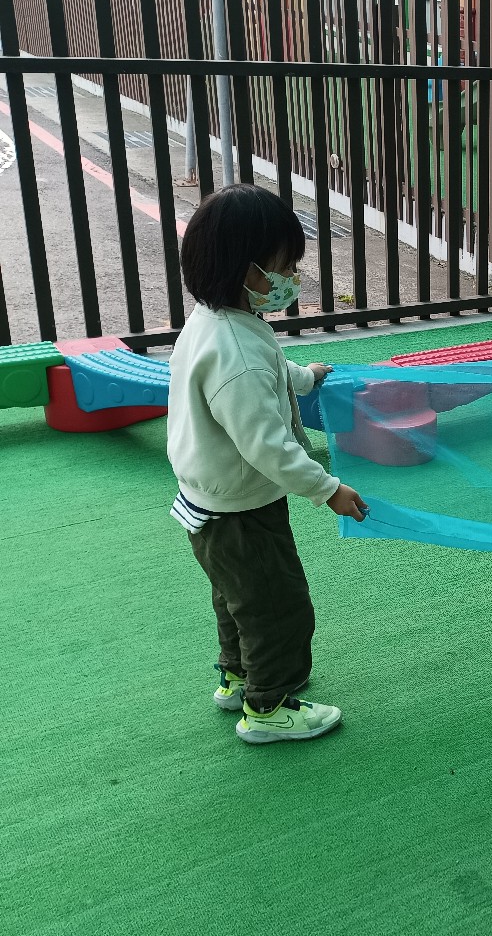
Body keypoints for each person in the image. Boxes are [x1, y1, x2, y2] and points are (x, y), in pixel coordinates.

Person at [167, 184, 368, 742]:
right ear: (246, 270)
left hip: (210, 502)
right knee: (277, 607)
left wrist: (306, 378)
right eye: (284, 267)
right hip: (241, 510)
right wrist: (327, 488)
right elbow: (266, 443)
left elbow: (269, 367)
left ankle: (238, 677)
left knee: (238, 599)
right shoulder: (236, 353)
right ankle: (269, 707)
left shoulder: (216, 322)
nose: (292, 278)